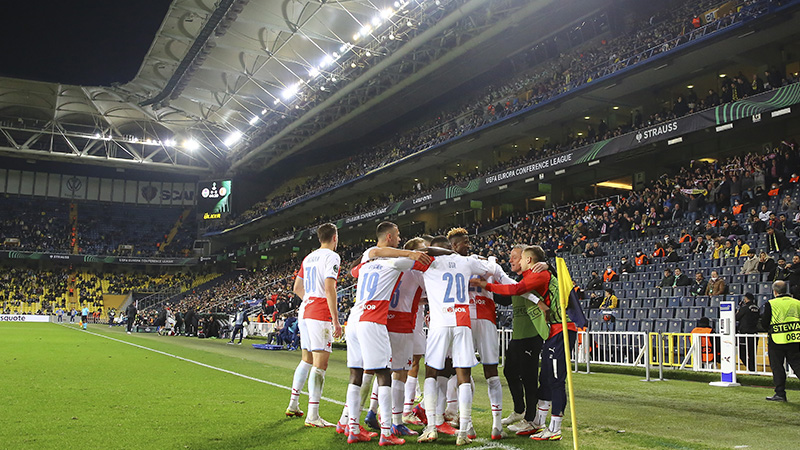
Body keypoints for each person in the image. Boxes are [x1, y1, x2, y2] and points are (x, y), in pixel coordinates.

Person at [476, 245, 575, 441]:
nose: (516, 261)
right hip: (551, 333)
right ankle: (537, 422)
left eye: (519, 259)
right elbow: (515, 290)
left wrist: (486, 285)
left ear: (528, 260)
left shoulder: (540, 274)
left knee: (554, 380)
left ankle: (554, 428)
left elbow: (517, 289)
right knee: (545, 378)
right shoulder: (534, 275)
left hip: (560, 330)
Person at [286, 223, 345, 427]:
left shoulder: (309, 257)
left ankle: (293, 403)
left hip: (305, 310)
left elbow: (297, 288)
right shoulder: (332, 257)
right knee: (320, 364)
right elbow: (330, 288)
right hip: (319, 312)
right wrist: (336, 320)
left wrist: (309, 300)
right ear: (335, 238)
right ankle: (313, 415)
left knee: (307, 359)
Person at [495, 245, 547, 435]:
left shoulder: (537, 277)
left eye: (515, 257)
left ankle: (531, 419)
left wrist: (546, 265)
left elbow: (552, 278)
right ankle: (519, 410)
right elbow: (506, 299)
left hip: (531, 336)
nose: (511, 261)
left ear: (527, 259)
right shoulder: (519, 281)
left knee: (529, 378)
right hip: (518, 336)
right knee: (509, 371)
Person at [761, 281, 800, 402]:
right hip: (795, 338)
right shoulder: (797, 303)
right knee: (798, 366)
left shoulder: (771, 304)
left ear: (775, 292)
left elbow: (764, 323)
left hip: (776, 341)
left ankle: (780, 394)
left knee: (778, 368)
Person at [736, 293, 760, 372]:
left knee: (742, 353)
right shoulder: (757, 308)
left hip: (745, 333)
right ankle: (753, 370)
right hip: (754, 333)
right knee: (752, 354)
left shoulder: (745, 308)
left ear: (745, 299)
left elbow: (736, 317)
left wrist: (739, 310)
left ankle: (751, 369)